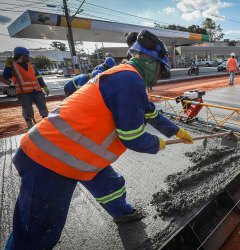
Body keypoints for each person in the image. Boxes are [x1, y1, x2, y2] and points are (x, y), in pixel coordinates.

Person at [5, 29, 194, 249]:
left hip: (76, 154)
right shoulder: (129, 80)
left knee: (110, 185)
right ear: (151, 62)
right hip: (49, 158)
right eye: (161, 69)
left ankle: (122, 213)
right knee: (35, 234)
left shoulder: (127, 76)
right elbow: (131, 137)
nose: (160, 75)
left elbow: (149, 111)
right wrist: (156, 143)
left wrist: (174, 131)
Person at [2, 47, 49, 128]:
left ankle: (46, 122)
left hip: (37, 90)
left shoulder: (31, 65)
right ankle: (30, 124)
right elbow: (6, 77)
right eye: (26, 56)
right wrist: (7, 67)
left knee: (43, 107)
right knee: (27, 109)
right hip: (24, 93)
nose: (27, 57)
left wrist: (44, 86)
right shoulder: (12, 66)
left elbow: (38, 76)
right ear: (20, 56)